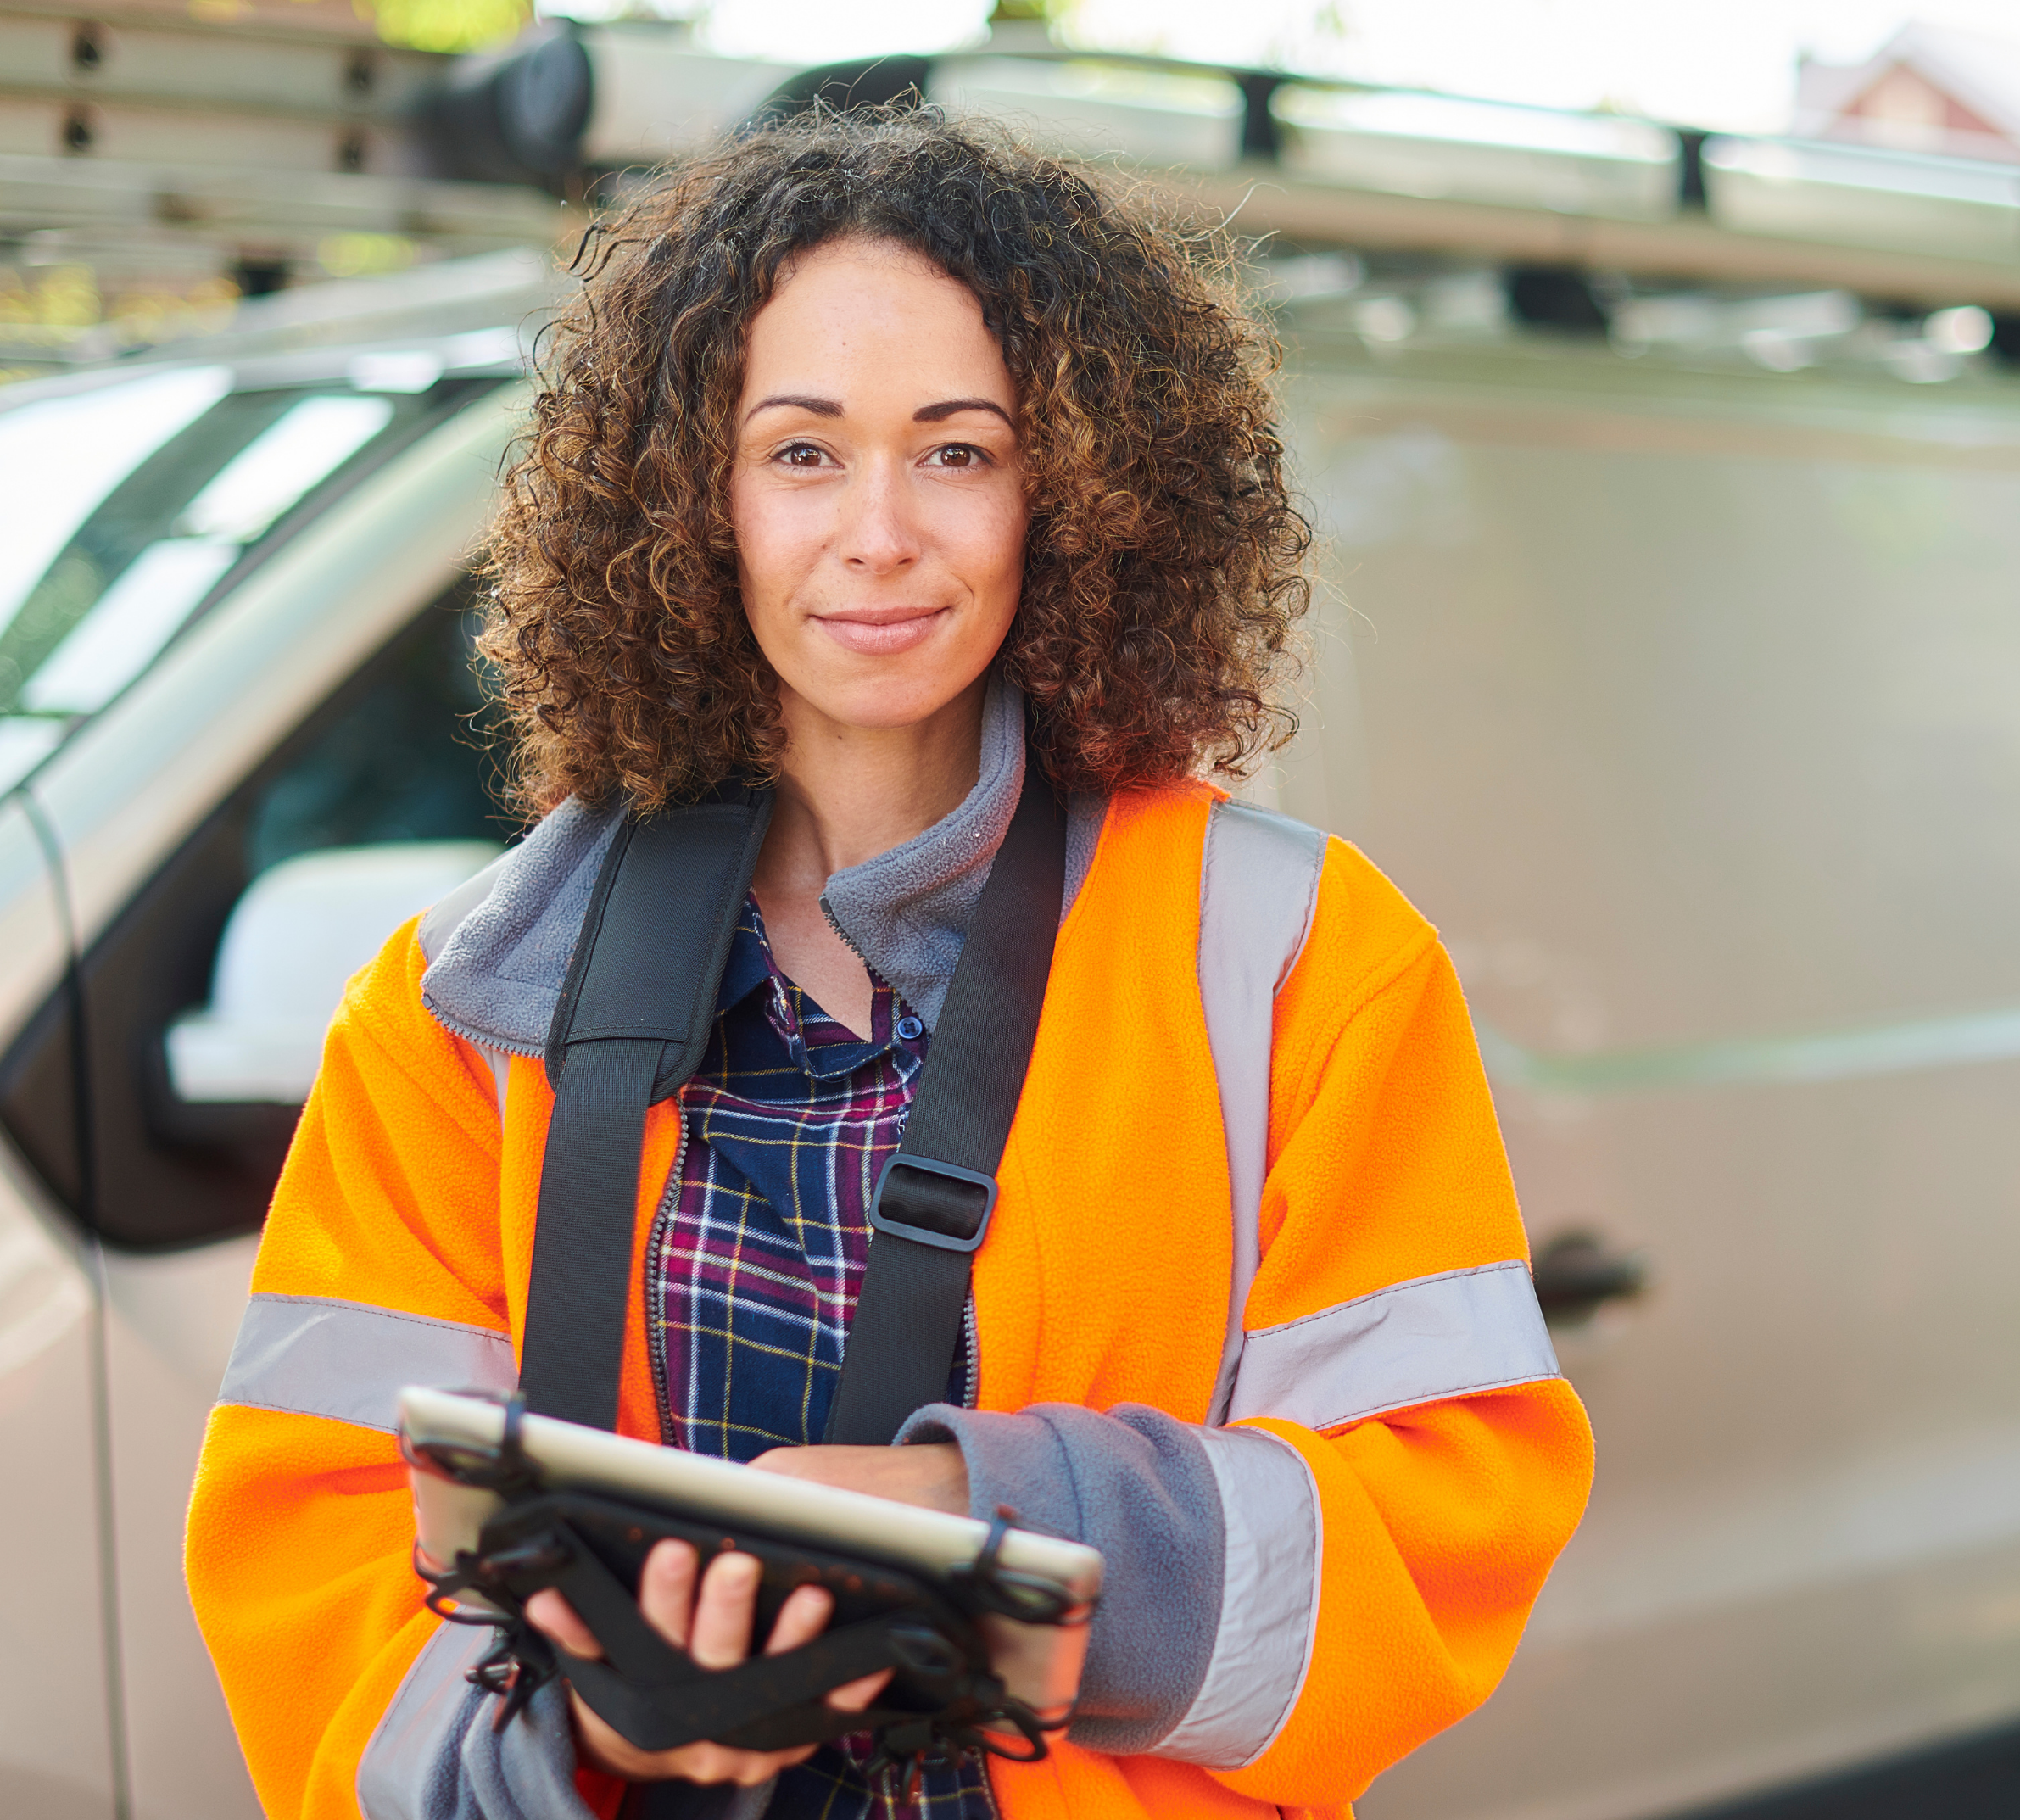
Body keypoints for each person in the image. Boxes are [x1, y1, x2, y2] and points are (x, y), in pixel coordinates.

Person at [185, 111, 1593, 1820]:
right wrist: (586, 1719)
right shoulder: (462, 1004)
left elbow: (1440, 1513)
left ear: (1071, 493)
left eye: (956, 451)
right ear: (691, 499)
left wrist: (976, 1515)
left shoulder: (1298, 952)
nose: (877, 533)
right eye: (800, 452)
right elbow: (309, 1539)